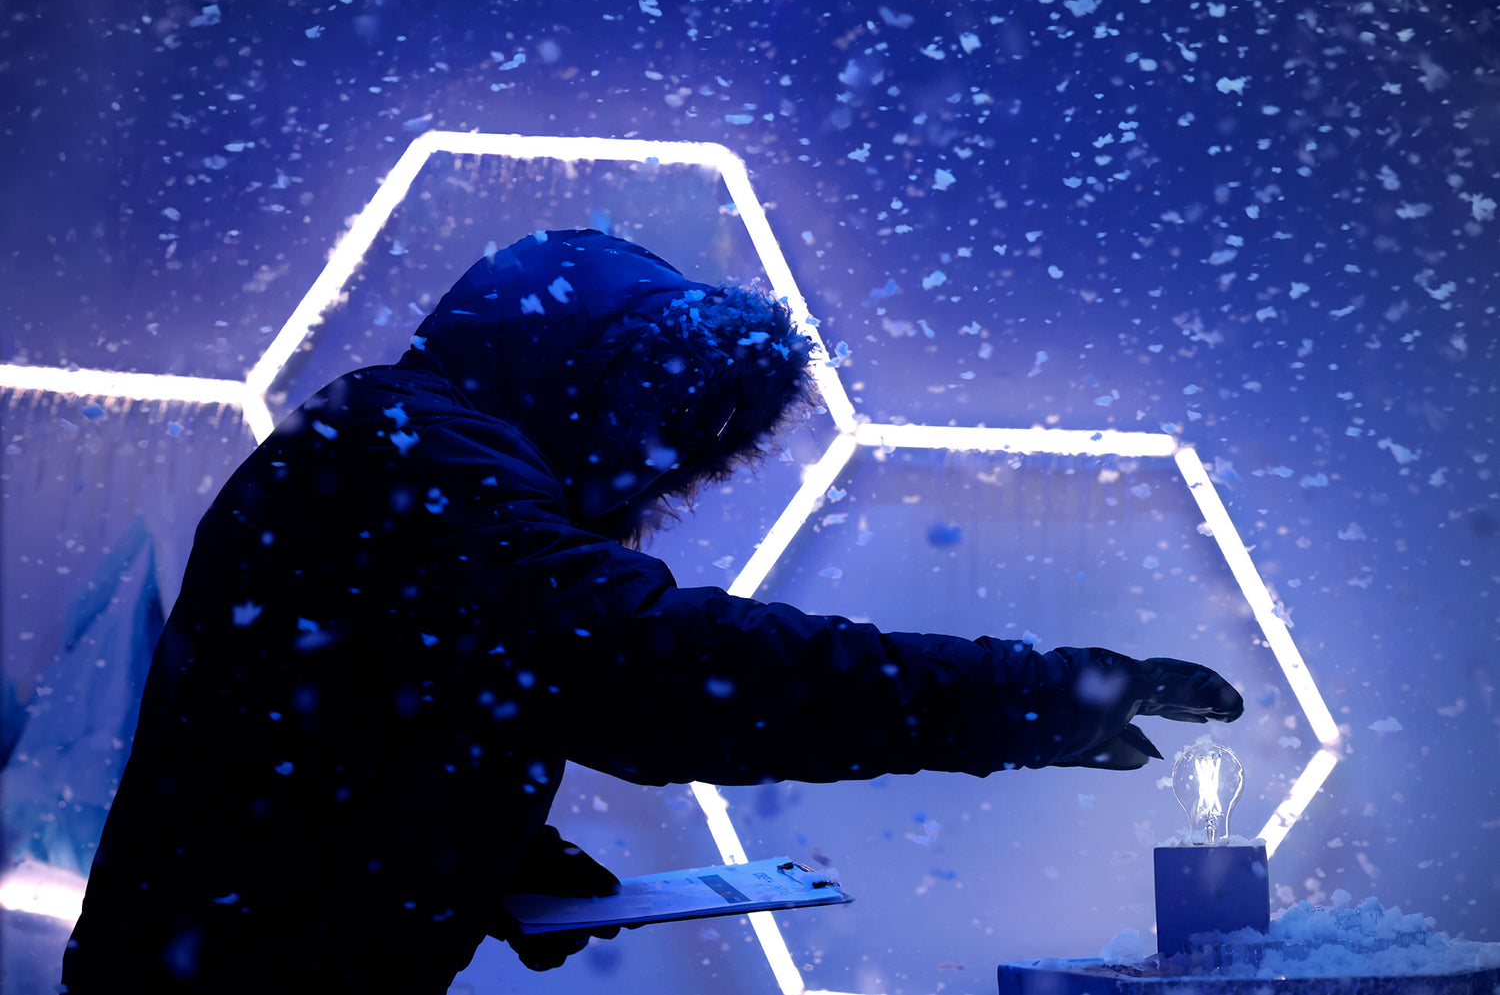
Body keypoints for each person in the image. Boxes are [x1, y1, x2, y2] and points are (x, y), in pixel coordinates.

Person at [61, 229, 1243, 993]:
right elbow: (656, 672)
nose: (651, 468)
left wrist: (495, 854)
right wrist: (1038, 695)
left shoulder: (399, 448)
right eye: (652, 416)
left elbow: (354, 718)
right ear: (568, 373)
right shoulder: (414, 458)